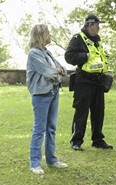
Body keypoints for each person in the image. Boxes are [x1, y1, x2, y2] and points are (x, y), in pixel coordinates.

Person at [64, 14, 113, 151]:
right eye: (98, 25)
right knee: (81, 112)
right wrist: (84, 56)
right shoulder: (78, 38)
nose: (99, 28)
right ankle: (76, 141)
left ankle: (98, 140)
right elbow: (69, 57)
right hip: (83, 81)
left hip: (98, 82)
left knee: (98, 112)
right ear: (90, 25)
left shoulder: (96, 41)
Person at [27, 24, 68, 174]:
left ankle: (52, 160)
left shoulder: (47, 52)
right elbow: (49, 72)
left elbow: (63, 69)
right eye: (48, 33)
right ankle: (35, 163)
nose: (51, 36)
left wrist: (58, 70)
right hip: (41, 95)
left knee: (51, 128)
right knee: (39, 129)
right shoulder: (34, 53)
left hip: (53, 91)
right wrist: (56, 71)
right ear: (41, 35)